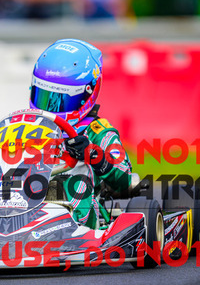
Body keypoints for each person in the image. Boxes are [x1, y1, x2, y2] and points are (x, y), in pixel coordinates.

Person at [29, 38, 132, 228]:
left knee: (70, 183)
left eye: (60, 100)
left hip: (77, 216)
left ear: (87, 94)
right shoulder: (28, 126)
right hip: (27, 201)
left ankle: (68, 228)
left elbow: (124, 179)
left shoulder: (98, 132)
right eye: (44, 97)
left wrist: (93, 155)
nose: (51, 108)